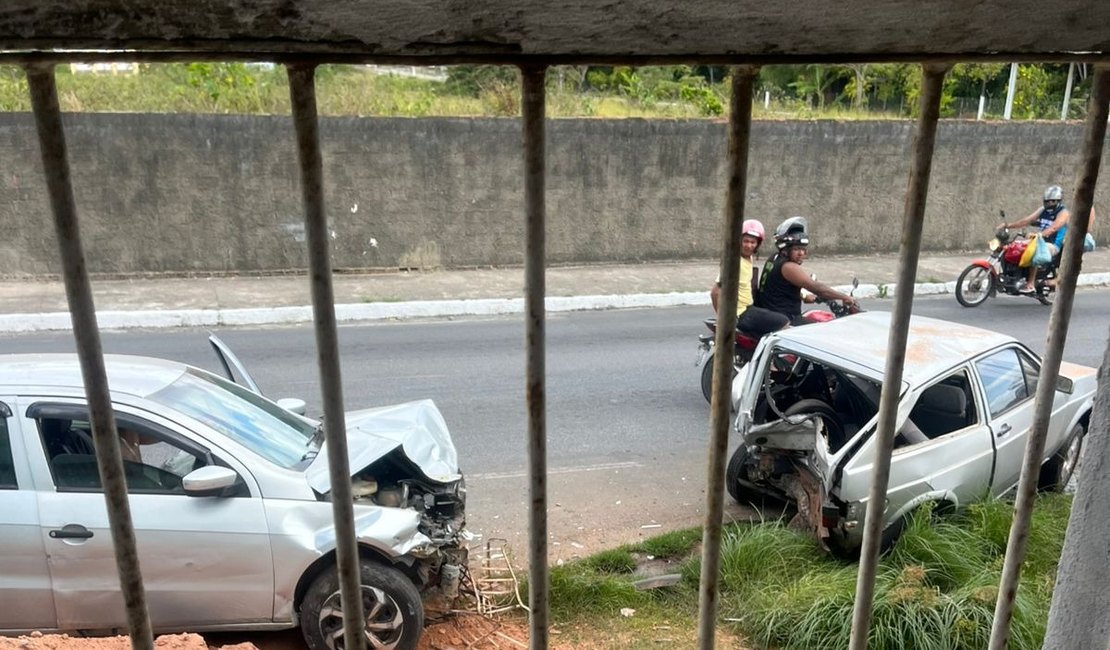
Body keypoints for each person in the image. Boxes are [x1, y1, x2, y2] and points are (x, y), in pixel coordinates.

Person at [756, 229, 858, 325]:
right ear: (786, 250)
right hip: (786, 319)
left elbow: (778, 285)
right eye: (796, 249)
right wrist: (844, 297)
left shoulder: (774, 258)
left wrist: (804, 296)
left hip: (770, 314)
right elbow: (817, 288)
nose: (801, 253)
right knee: (824, 332)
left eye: (803, 249)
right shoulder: (788, 267)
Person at [709, 219, 790, 337]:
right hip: (741, 314)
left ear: (758, 244)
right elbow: (715, 292)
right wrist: (724, 320)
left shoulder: (748, 258)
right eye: (745, 241)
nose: (748, 245)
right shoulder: (734, 262)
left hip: (749, 308)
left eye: (753, 242)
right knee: (784, 321)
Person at [998, 185, 1070, 293]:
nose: (1049, 204)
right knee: (1013, 246)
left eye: (1052, 201)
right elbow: (1027, 220)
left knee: (1034, 250)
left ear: (1059, 201)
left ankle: (1030, 284)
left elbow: (1054, 227)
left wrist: (1039, 235)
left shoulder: (1063, 213)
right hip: (1039, 240)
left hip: (1053, 245)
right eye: (1047, 201)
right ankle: (1012, 275)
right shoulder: (1042, 210)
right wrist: (1007, 225)